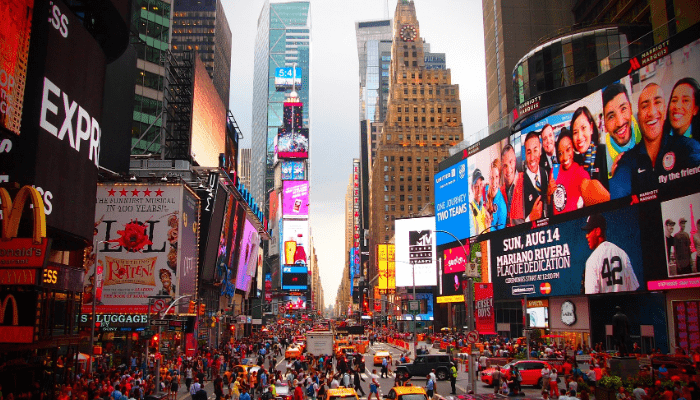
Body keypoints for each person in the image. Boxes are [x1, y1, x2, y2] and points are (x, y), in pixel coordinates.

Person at [610, 83, 700, 198]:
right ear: (638, 115)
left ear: (665, 109)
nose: (652, 112)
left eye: (657, 102)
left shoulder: (688, 147)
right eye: (645, 106)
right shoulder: (628, 159)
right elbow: (618, 188)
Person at [551, 128, 610, 214]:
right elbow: (551, 202)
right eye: (560, 153)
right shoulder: (555, 169)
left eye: (568, 149)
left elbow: (588, 186)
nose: (564, 157)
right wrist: (549, 194)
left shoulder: (579, 171)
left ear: (574, 149)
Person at [582, 213, 639, 294]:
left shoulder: (592, 261)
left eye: (589, 231)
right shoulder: (623, 254)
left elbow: (591, 297)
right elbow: (634, 289)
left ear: (597, 231)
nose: (586, 236)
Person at [602, 83, 642, 177]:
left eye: (623, 109)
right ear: (605, 125)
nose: (620, 123)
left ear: (630, 109)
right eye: (611, 116)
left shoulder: (644, 124)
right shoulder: (603, 159)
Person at [509, 132, 550, 224]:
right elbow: (515, 224)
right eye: (528, 152)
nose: (532, 158)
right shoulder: (519, 183)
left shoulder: (545, 173)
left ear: (540, 150)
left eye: (535, 150)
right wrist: (530, 218)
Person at [571, 106, 609, 189]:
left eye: (583, 128)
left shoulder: (604, 152)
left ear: (591, 128)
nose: (579, 137)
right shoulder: (575, 161)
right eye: (575, 132)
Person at [500, 144, 521, 226]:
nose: (508, 169)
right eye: (505, 166)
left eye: (510, 162)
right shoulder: (500, 192)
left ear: (515, 161)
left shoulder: (524, 180)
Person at [485, 158, 507, 231]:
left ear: (500, 178)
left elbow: (500, 234)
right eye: (491, 178)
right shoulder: (484, 190)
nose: (494, 182)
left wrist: (489, 228)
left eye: (496, 177)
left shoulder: (502, 206)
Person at [470, 169, 489, 236]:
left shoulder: (484, 209)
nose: (479, 190)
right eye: (476, 186)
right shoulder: (469, 209)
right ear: (472, 188)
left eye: (480, 185)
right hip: (475, 245)